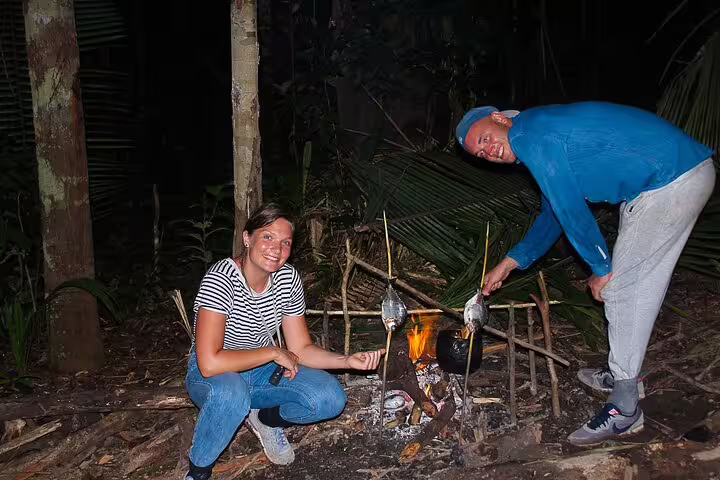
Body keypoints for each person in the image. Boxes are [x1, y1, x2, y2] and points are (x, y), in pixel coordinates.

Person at [455, 102, 715, 446]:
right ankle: (625, 375)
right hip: (671, 178)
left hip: (669, 181)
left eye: (485, 138)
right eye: (481, 154)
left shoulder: (531, 134)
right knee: (627, 286)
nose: (489, 151)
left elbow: (570, 208)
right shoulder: (539, 132)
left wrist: (600, 266)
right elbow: (554, 211)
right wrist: (512, 262)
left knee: (621, 289)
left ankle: (625, 409)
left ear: (501, 119)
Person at [184, 203, 385, 480]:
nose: (276, 249)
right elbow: (209, 363)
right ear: (247, 238)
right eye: (267, 237)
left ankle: (264, 418)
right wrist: (272, 352)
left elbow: (300, 348)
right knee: (232, 394)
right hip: (217, 374)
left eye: (285, 242)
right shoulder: (221, 279)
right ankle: (198, 471)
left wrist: (345, 360)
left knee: (329, 398)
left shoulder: (288, 279)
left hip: (262, 370)